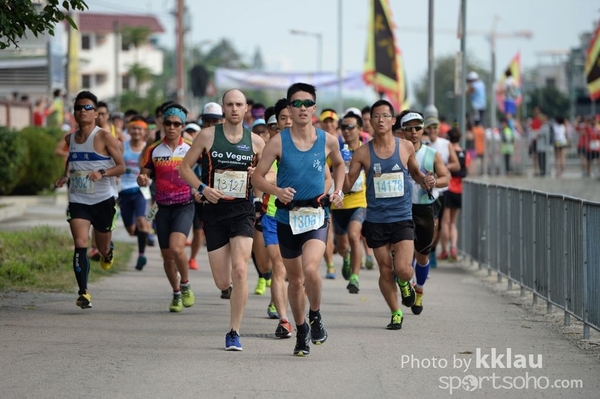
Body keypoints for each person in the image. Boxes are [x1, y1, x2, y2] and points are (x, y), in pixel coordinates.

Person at [252, 82, 345, 356]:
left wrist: (338, 190)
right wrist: (276, 191)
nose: (302, 108)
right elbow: (257, 176)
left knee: (311, 270)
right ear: (290, 109)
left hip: (316, 215)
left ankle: (315, 316)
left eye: (307, 103)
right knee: (294, 279)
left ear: (314, 108)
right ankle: (301, 329)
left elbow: (339, 164)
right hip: (286, 217)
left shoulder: (327, 139)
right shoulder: (278, 141)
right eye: (297, 103)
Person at [179, 89, 265, 351]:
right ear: (223, 108)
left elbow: (269, 177)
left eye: (239, 104)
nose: (234, 109)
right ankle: (228, 288)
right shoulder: (207, 136)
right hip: (214, 212)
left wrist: (257, 178)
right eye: (229, 104)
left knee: (240, 269)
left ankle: (234, 332)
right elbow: (184, 168)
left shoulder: (257, 142)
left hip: (242, 211)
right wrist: (202, 189)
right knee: (222, 281)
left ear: (246, 108)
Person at [343, 101, 436, 330]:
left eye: (386, 115)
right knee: (385, 269)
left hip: (402, 216)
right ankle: (395, 312)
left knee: (403, 268)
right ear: (371, 121)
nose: (381, 120)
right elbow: (347, 184)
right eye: (377, 116)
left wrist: (426, 181)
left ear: (393, 121)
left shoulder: (405, 146)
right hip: (376, 220)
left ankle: (405, 283)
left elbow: (415, 172)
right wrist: (331, 175)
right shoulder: (363, 152)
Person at [53, 91, 125, 309]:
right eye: (78, 108)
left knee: (102, 248)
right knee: (80, 243)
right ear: (73, 113)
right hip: (78, 200)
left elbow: (121, 166)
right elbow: (71, 162)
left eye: (87, 108)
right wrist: (65, 177)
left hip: (103, 199)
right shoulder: (70, 139)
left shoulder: (104, 137)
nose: (82, 111)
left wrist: (102, 173)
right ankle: (83, 292)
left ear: (95, 113)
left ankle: (107, 252)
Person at [137, 103, 196, 313]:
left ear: (182, 126)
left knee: (177, 247)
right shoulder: (153, 150)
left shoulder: (190, 148)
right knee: (167, 256)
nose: (171, 127)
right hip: (161, 208)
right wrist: (142, 179)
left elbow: (201, 173)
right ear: (163, 124)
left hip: (184, 206)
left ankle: (186, 284)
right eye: (168, 123)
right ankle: (176, 293)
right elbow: (143, 175)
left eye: (176, 124)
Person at [400, 110, 449, 315]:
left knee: (422, 255)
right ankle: (406, 285)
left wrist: (435, 182)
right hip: (400, 209)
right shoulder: (396, 151)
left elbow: (447, 177)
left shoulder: (431, 154)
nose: (413, 132)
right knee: (403, 254)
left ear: (423, 130)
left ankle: (419, 290)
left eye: (417, 128)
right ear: (402, 131)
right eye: (409, 128)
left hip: (424, 209)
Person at [331, 112, 368, 294]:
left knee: (354, 236)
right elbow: (326, 172)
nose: (346, 131)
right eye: (343, 127)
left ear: (360, 129)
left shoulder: (366, 151)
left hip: (359, 200)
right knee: (343, 246)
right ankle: (346, 259)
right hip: (338, 203)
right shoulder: (335, 151)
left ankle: (354, 277)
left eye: (350, 127)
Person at [423, 116, 460, 264]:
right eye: (430, 127)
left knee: (437, 225)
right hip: (424, 190)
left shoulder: (445, 144)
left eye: (435, 127)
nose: (432, 130)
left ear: (439, 129)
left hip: (442, 190)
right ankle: (424, 253)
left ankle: (432, 252)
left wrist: (443, 168)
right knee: (427, 224)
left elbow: (456, 164)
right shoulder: (421, 144)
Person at [118, 115, 151, 270]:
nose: (137, 131)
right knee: (131, 230)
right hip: (124, 190)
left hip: (141, 191)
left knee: (141, 221)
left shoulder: (148, 148)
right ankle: (144, 235)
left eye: (140, 129)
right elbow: (115, 163)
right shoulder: (122, 146)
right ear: (129, 130)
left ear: (144, 131)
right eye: (134, 128)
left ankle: (141, 255)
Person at [440, 128, 470, 260]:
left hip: (447, 189)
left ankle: (444, 250)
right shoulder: (465, 153)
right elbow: (466, 169)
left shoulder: (447, 150)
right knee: (453, 223)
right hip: (459, 190)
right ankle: (453, 248)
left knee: (445, 223)